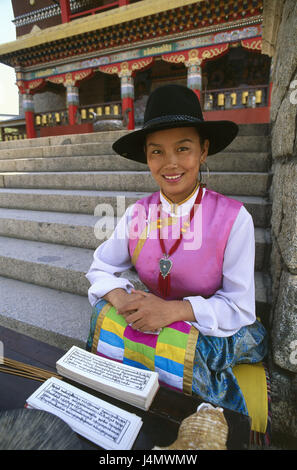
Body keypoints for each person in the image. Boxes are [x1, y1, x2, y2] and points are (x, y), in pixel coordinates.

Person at [85, 84, 267, 416]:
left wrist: (176, 311)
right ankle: (118, 406)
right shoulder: (138, 213)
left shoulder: (233, 218)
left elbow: (239, 308)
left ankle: (203, 423)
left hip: (209, 322)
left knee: (183, 346)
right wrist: (121, 298)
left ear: (203, 150)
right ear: (147, 157)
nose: (170, 164)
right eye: (156, 152)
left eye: (183, 149)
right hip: (157, 314)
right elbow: (101, 268)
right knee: (102, 315)